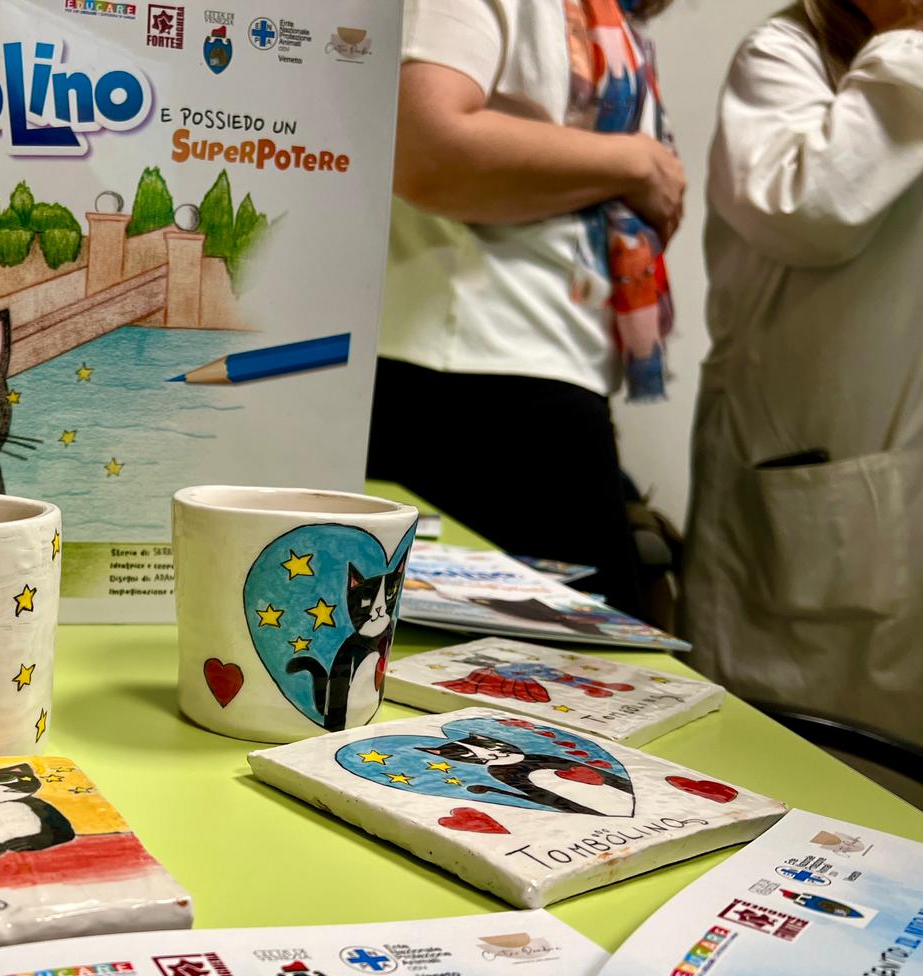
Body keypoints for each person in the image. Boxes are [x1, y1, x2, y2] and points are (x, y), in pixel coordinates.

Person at [368, 0, 684, 617]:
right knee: (580, 666)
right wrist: (637, 162)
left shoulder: (606, 17)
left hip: (521, 377)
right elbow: (428, 145)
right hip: (475, 382)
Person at [683, 0, 923, 741]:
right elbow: (812, 206)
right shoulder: (783, 52)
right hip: (820, 505)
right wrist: (907, 43)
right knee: (788, 760)